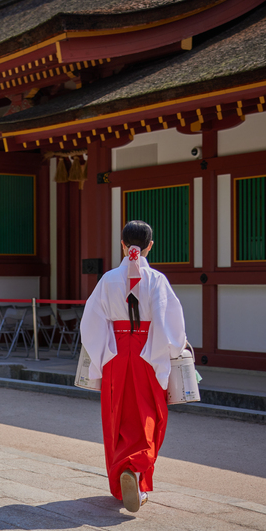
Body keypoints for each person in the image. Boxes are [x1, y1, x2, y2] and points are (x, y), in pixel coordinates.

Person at [80, 220, 186, 513]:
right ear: (150, 245)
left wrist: (102, 356)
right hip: (147, 356)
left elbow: (90, 324)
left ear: (123, 245)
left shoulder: (108, 280)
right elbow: (171, 325)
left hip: (116, 355)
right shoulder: (157, 280)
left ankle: (123, 473)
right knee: (149, 414)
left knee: (117, 417)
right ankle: (136, 473)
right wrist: (173, 351)